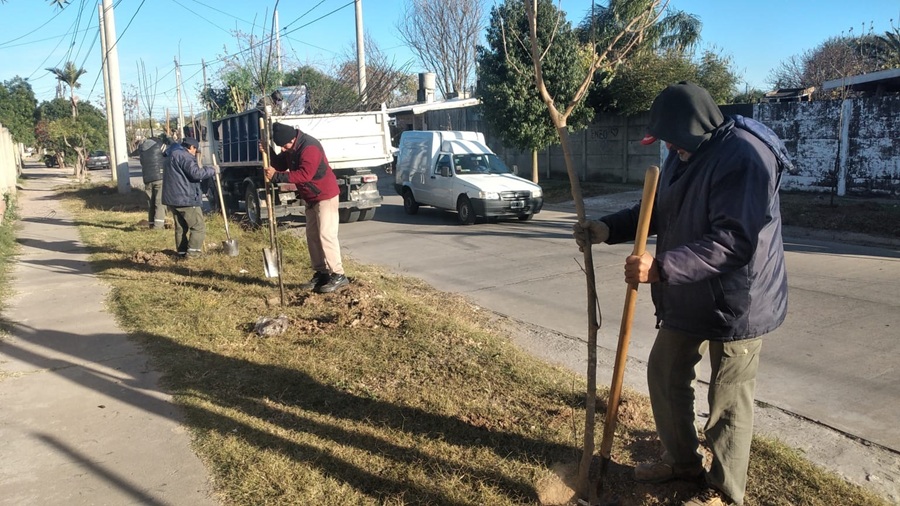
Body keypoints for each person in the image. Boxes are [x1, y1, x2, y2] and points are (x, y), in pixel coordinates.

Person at [573, 82, 790, 506]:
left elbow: (733, 242)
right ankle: (682, 463)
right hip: (689, 291)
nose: (669, 147)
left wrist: (661, 268)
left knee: (727, 398)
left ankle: (724, 491)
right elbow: (657, 208)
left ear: (694, 128)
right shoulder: (684, 152)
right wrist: (608, 228)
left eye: (672, 139)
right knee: (665, 371)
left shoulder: (745, 158)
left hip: (738, 300)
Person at [263, 122, 349, 293]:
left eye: (284, 146)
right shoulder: (291, 146)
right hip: (310, 197)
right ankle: (322, 273)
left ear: (292, 139)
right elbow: (281, 164)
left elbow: (305, 174)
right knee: (312, 236)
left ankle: (338, 274)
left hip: (325, 195)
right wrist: (269, 151)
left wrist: (277, 177)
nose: (283, 149)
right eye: (280, 147)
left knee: (326, 235)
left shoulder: (310, 147)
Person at [161, 137, 216, 258]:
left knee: (181, 227)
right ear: (191, 147)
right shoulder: (185, 156)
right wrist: (212, 170)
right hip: (186, 198)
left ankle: (181, 252)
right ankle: (193, 254)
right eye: (195, 150)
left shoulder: (171, 155)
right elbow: (196, 174)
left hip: (172, 199)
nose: (195, 153)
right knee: (198, 227)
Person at [137, 135, 167, 229]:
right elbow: (168, 154)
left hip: (147, 178)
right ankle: (158, 226)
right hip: (159, 177)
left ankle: (151, 223)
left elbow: (142, 162)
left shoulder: (142, 148)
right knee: (159, 202)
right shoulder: (160, 145)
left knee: (151, 202)